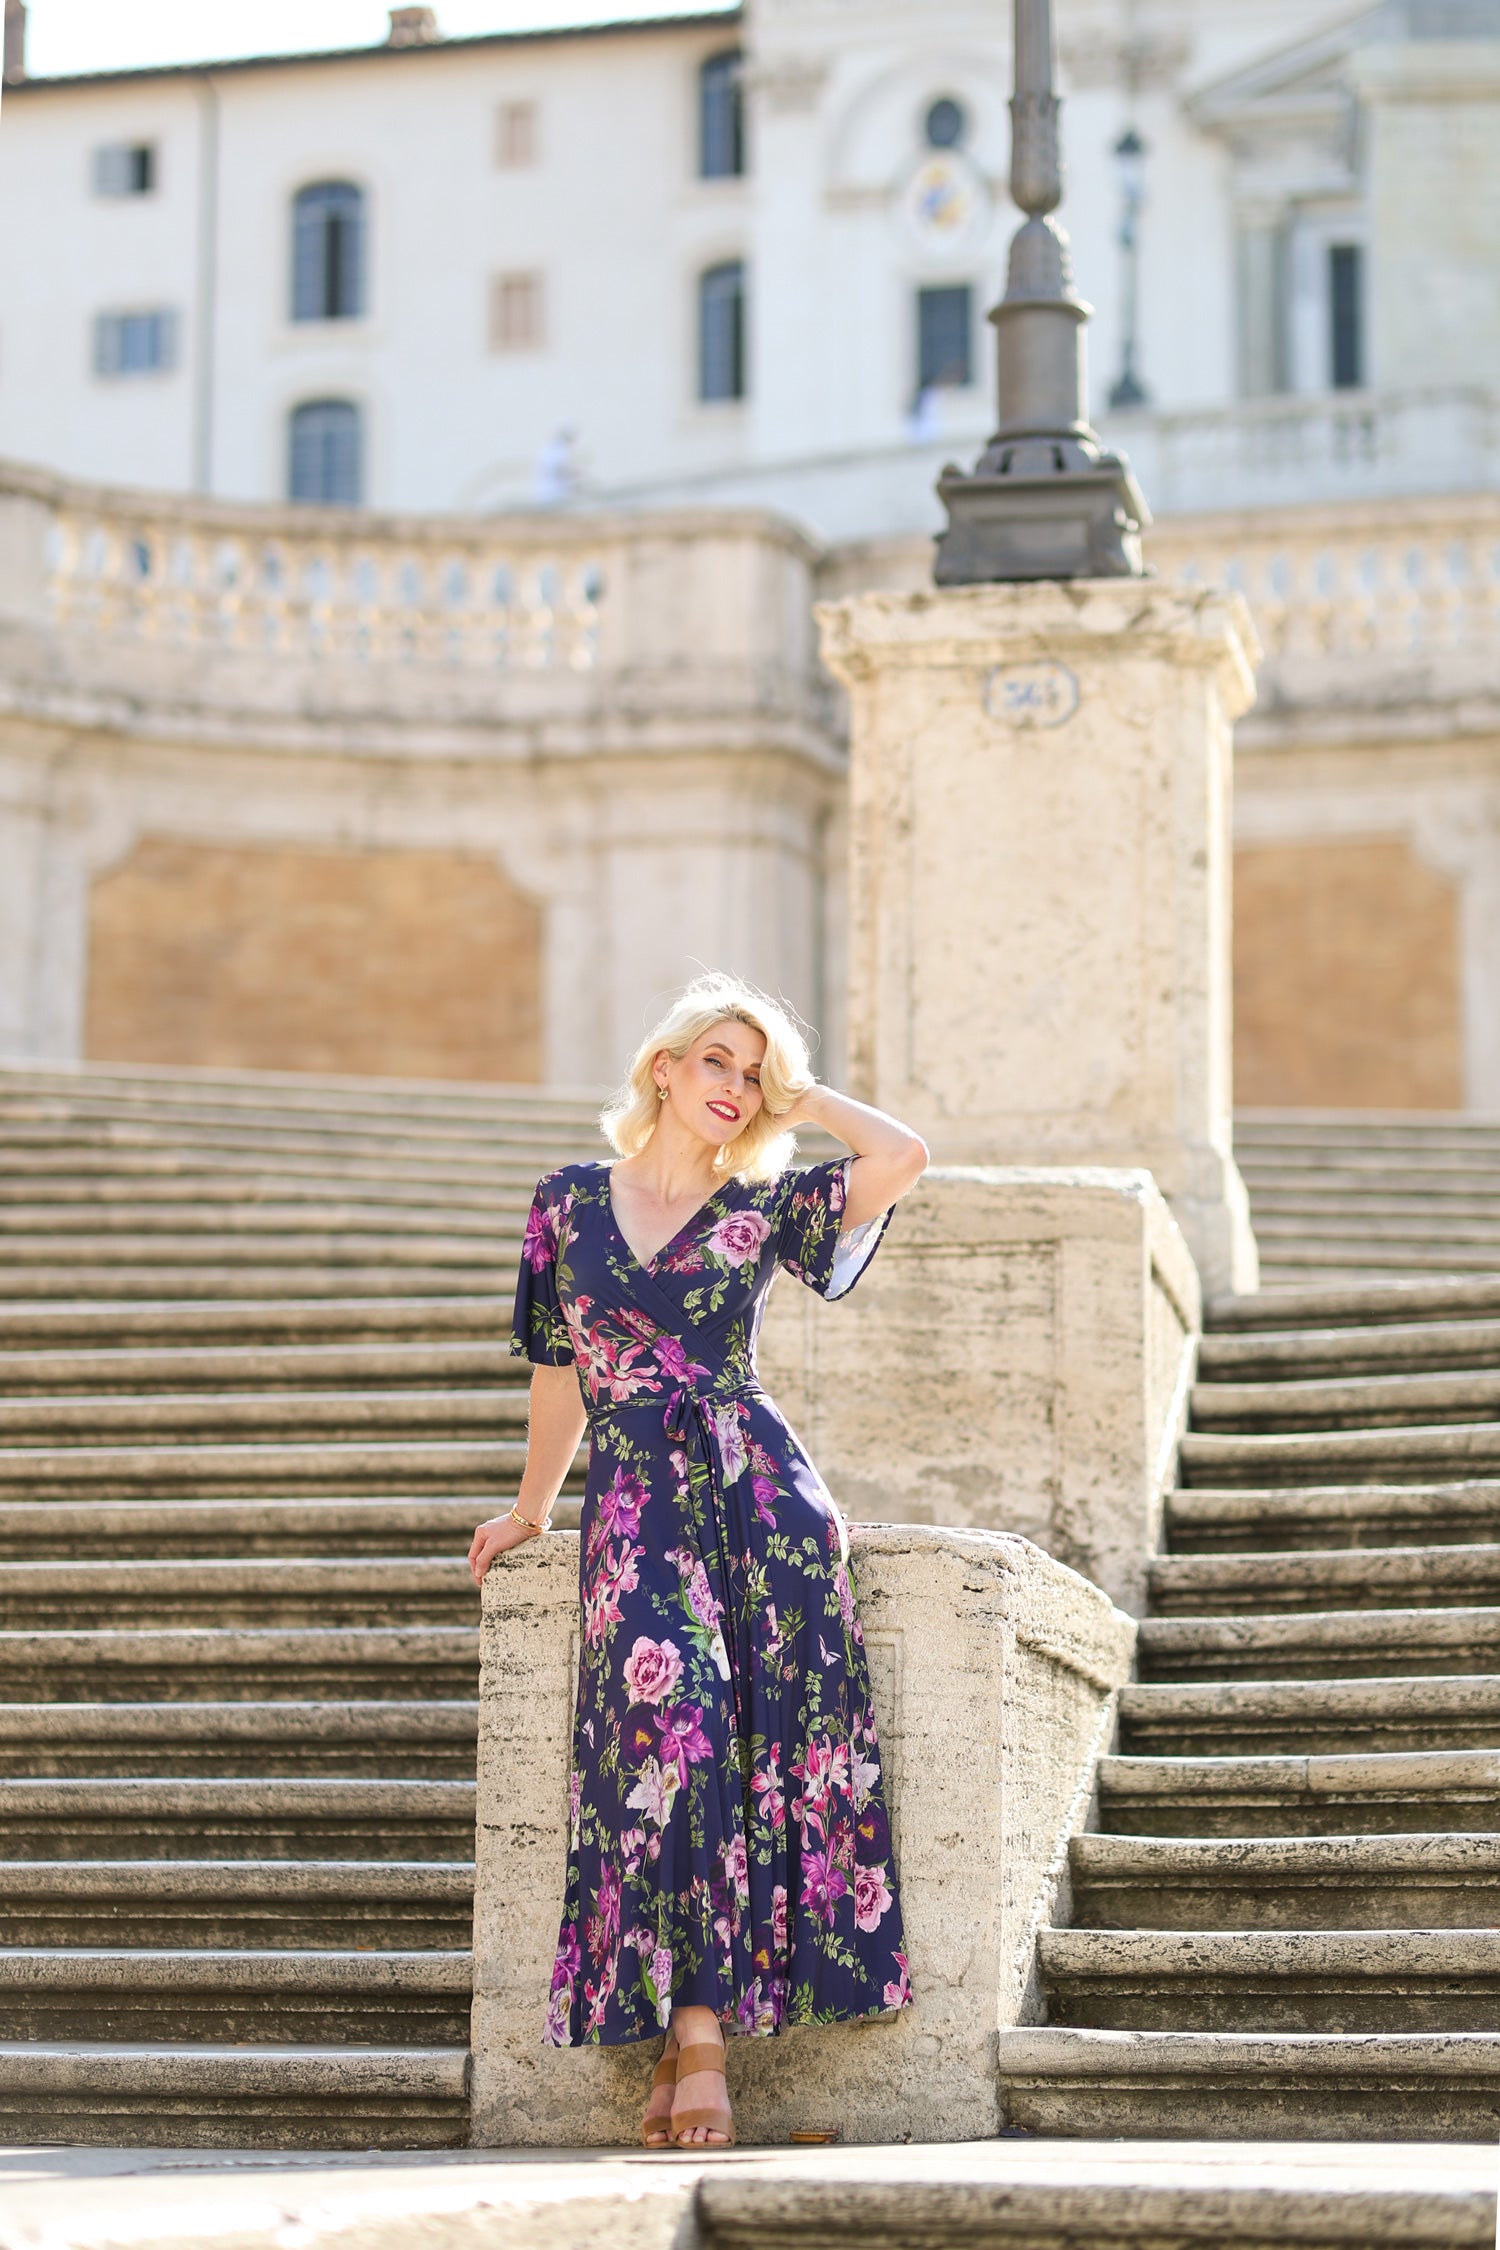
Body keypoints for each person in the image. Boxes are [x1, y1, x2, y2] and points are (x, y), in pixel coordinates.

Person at [469, 972, 928, 2149]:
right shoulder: (567, 1202)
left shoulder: (763, 1207)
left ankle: (701, 2042)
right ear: (664, 1069)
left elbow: (905, 1156)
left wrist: (805, 1090)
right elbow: (559, 1373)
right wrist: (531, 1509)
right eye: (714, 1061)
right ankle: (689, 2036)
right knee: (671, 1732)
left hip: (759, 1494)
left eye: (751, 1070)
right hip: (634, 1496)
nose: (733, 1087)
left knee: (747, 1747)